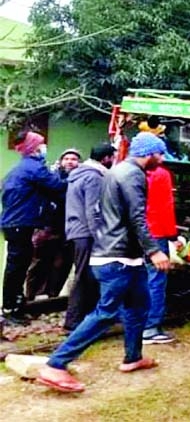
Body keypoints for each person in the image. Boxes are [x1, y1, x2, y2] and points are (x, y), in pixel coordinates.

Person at [36, 132, 171, 393]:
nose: (162, 159)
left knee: (138, 305)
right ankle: (56, 364)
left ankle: (133, 357)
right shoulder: (133, 175)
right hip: (117, 256)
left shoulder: (117, 171)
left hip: (123, 255)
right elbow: (136, 217)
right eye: (159, 153)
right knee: (105, 313)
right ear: (148, 153)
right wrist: (154, 250)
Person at [0, 131, 66, 325]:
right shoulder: (34, 168)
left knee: (19, 266)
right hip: (21, 223)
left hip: (17, 223)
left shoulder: (21, 168)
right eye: (41, 144)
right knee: (16, 266)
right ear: (34, 148)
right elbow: (57, 186)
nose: (44, 147)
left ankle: (16, 306)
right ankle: (10, 308)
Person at [63, 143, 116, 332]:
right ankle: (74, 322)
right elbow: (93, 209)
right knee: (84, 276)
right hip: (86, 232)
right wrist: (100, 236)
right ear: (105, 158)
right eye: (113, 157)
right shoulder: (94, 177)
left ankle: (82, 319)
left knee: (86, 275)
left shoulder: (79, 174)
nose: (114, 160)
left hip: (76, 230)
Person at [27, 148, 81, 301]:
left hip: (69, 230)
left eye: (74, 159)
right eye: (67, 158)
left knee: (62, 265)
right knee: (39, 264)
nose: (70, 161)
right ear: (61, 161)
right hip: (47, 227)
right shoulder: (50, 177)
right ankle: (31, 297)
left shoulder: (82, 179)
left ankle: (53, 297)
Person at [142, 164, 178, 344]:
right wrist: (173, 235)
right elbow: (165, 205)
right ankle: (150, 328)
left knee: (136, 278)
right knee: (156, 280)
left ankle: (134, 323)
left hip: (135, 233)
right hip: (156, 232)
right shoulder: (161, 174)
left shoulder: (127, 170)